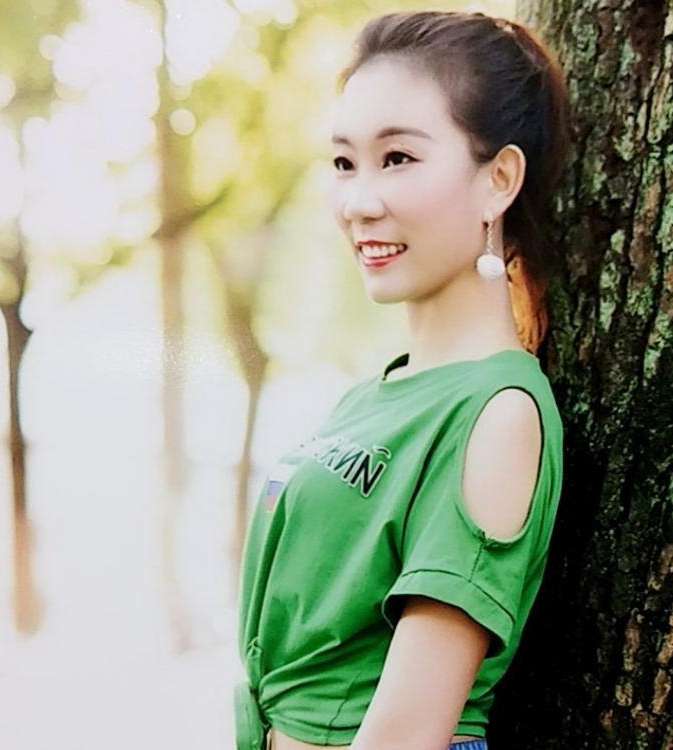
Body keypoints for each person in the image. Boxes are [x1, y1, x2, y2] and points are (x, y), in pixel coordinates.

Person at [236, 10, 570, 750]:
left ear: (498, 180)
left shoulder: (498, 412)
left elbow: (408, 732)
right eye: (344, 163)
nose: (359, 202)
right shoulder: (371, 396)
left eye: (398, 158)